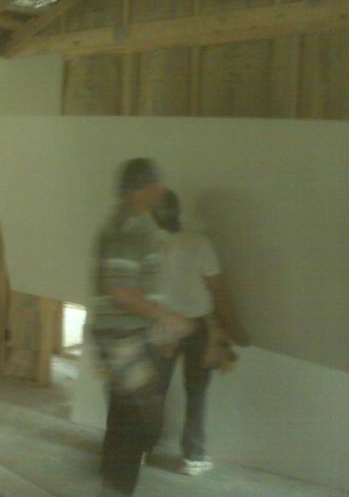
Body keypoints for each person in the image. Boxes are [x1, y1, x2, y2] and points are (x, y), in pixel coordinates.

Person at [89, 159, 194, 496]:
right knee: (139, 422)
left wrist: (159, 331)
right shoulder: (129, 229)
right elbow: (121, 291)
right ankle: (116, 487)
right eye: (155, 183)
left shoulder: (130, 224)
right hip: (124, 340)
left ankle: (113, 485)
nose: (161, 189)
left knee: (128, 417)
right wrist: (167, 319)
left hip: (127, 337)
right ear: (141, 189)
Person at [149, 188, 250, 476]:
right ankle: (193, 457)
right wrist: (235, 329)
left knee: (154, 391)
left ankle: (139, 448)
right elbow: (218, 291)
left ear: (153, 216)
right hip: (197, 329)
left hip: (162, 327)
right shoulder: (199, 243)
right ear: (178, 211)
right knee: (196, 393)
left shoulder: (148, 246)